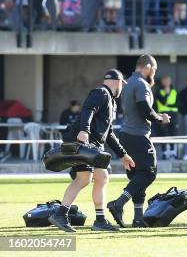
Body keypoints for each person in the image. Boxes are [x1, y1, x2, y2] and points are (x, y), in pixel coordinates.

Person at [48, 69, 135, 232]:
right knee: (93, 178)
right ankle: (90, 219)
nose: (122, 88)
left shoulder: (111, 101)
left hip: (91, 144)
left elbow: (109, 134)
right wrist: (84, 131)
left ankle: (82, 217)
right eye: (122, 85)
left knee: (91, 178)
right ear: (117, 82)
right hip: (85, 142)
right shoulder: (101, 92)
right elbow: (88, 109)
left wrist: (123, 154)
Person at [107, 55, 171, 228]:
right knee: (149, 173)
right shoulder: (141, 84)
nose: (154, 73)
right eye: (154, 70)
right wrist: (160, 119)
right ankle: (119, 203)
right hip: (138, 135)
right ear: (148, 67)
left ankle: (137, 218)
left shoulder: (128, 83)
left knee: (137, 177)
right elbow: (144, 110)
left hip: (126, 134)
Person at [154, 75, 179, 159]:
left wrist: (168, 104)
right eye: (165, 80)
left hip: (174, 115)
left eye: (168, 80)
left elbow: (177, 104)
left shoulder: (174, 91)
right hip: (162, 115)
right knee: (163, 134)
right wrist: (167, 94)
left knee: (173, 134)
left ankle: (172, 152)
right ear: (162, 82)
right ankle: (164, 152)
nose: (167, 82)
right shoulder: (159, 91)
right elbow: (163, 101)